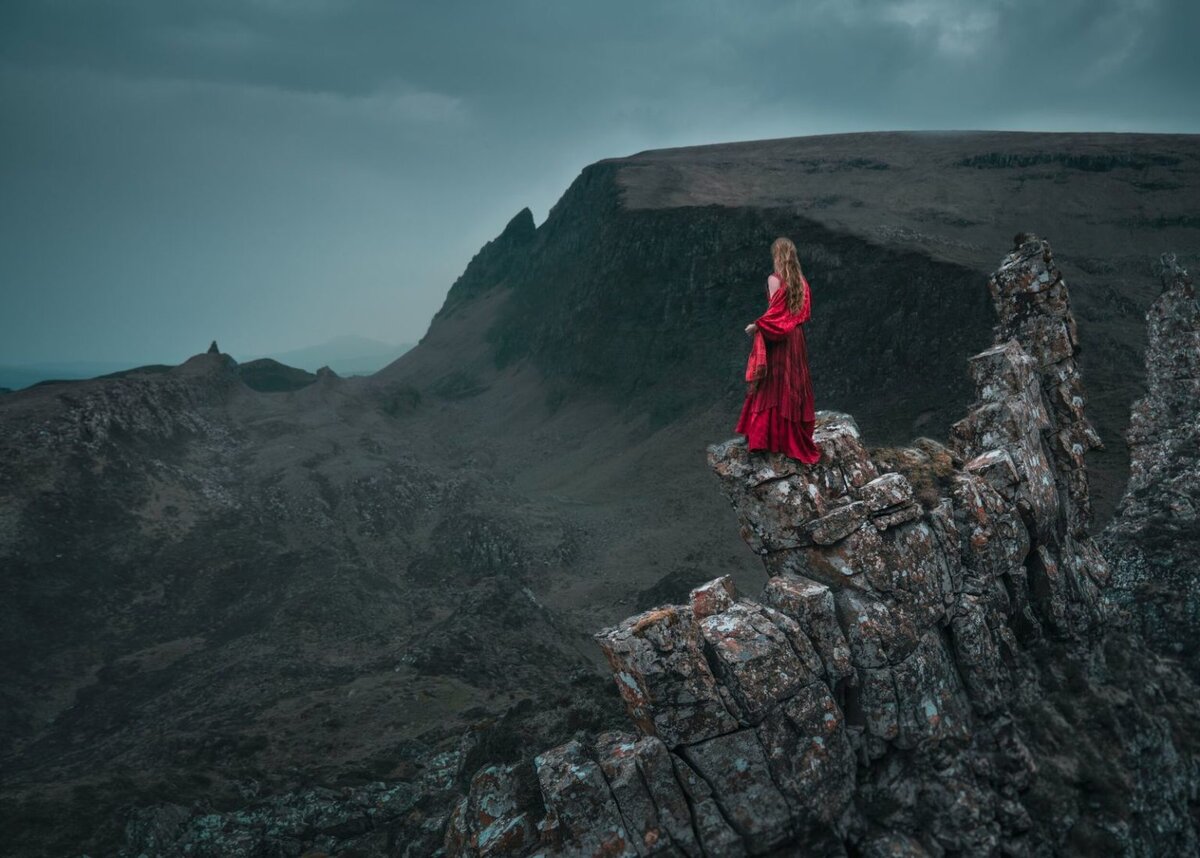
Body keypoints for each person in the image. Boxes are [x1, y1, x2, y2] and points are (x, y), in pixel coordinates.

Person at [734, 237, 821, 464]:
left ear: (777, 256)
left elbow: (775, 314)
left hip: (780, 342)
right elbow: (800, 313)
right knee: (792, 384)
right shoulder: (802, 282)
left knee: (772, 384)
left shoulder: (775, 279)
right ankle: (791, 436)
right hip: (797, 340)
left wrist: (757, 326)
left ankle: (769, 438)